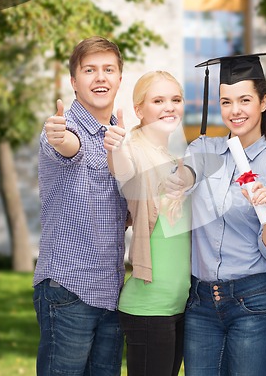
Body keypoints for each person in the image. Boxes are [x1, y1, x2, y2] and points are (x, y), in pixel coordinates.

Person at [166, 52, 266, 376]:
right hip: (202, 301)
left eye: (244, 100)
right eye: (226, 101)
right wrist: (180, 183)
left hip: (254, 300)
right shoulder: (202, 150)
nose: (234, 111)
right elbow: (185, 177)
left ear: (263, 102)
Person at [33, 36, 128, 375]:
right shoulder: (63, 127)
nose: (100, 77)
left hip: (111, 292)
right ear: (74, 82)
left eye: (108, 69)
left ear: (119, 78)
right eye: (89, 70)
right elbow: (67, 146)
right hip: (68, 289)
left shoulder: (120, 134)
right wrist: (60, 138)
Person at [104, 71, 191, 376]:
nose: (169, 107)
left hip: (178, 307)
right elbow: (125, 170)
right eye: (158, 100)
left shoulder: (173, 159)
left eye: (175, 99)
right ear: (140, 110)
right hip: (148, 309)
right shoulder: (135, 150)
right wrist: (114, 149)